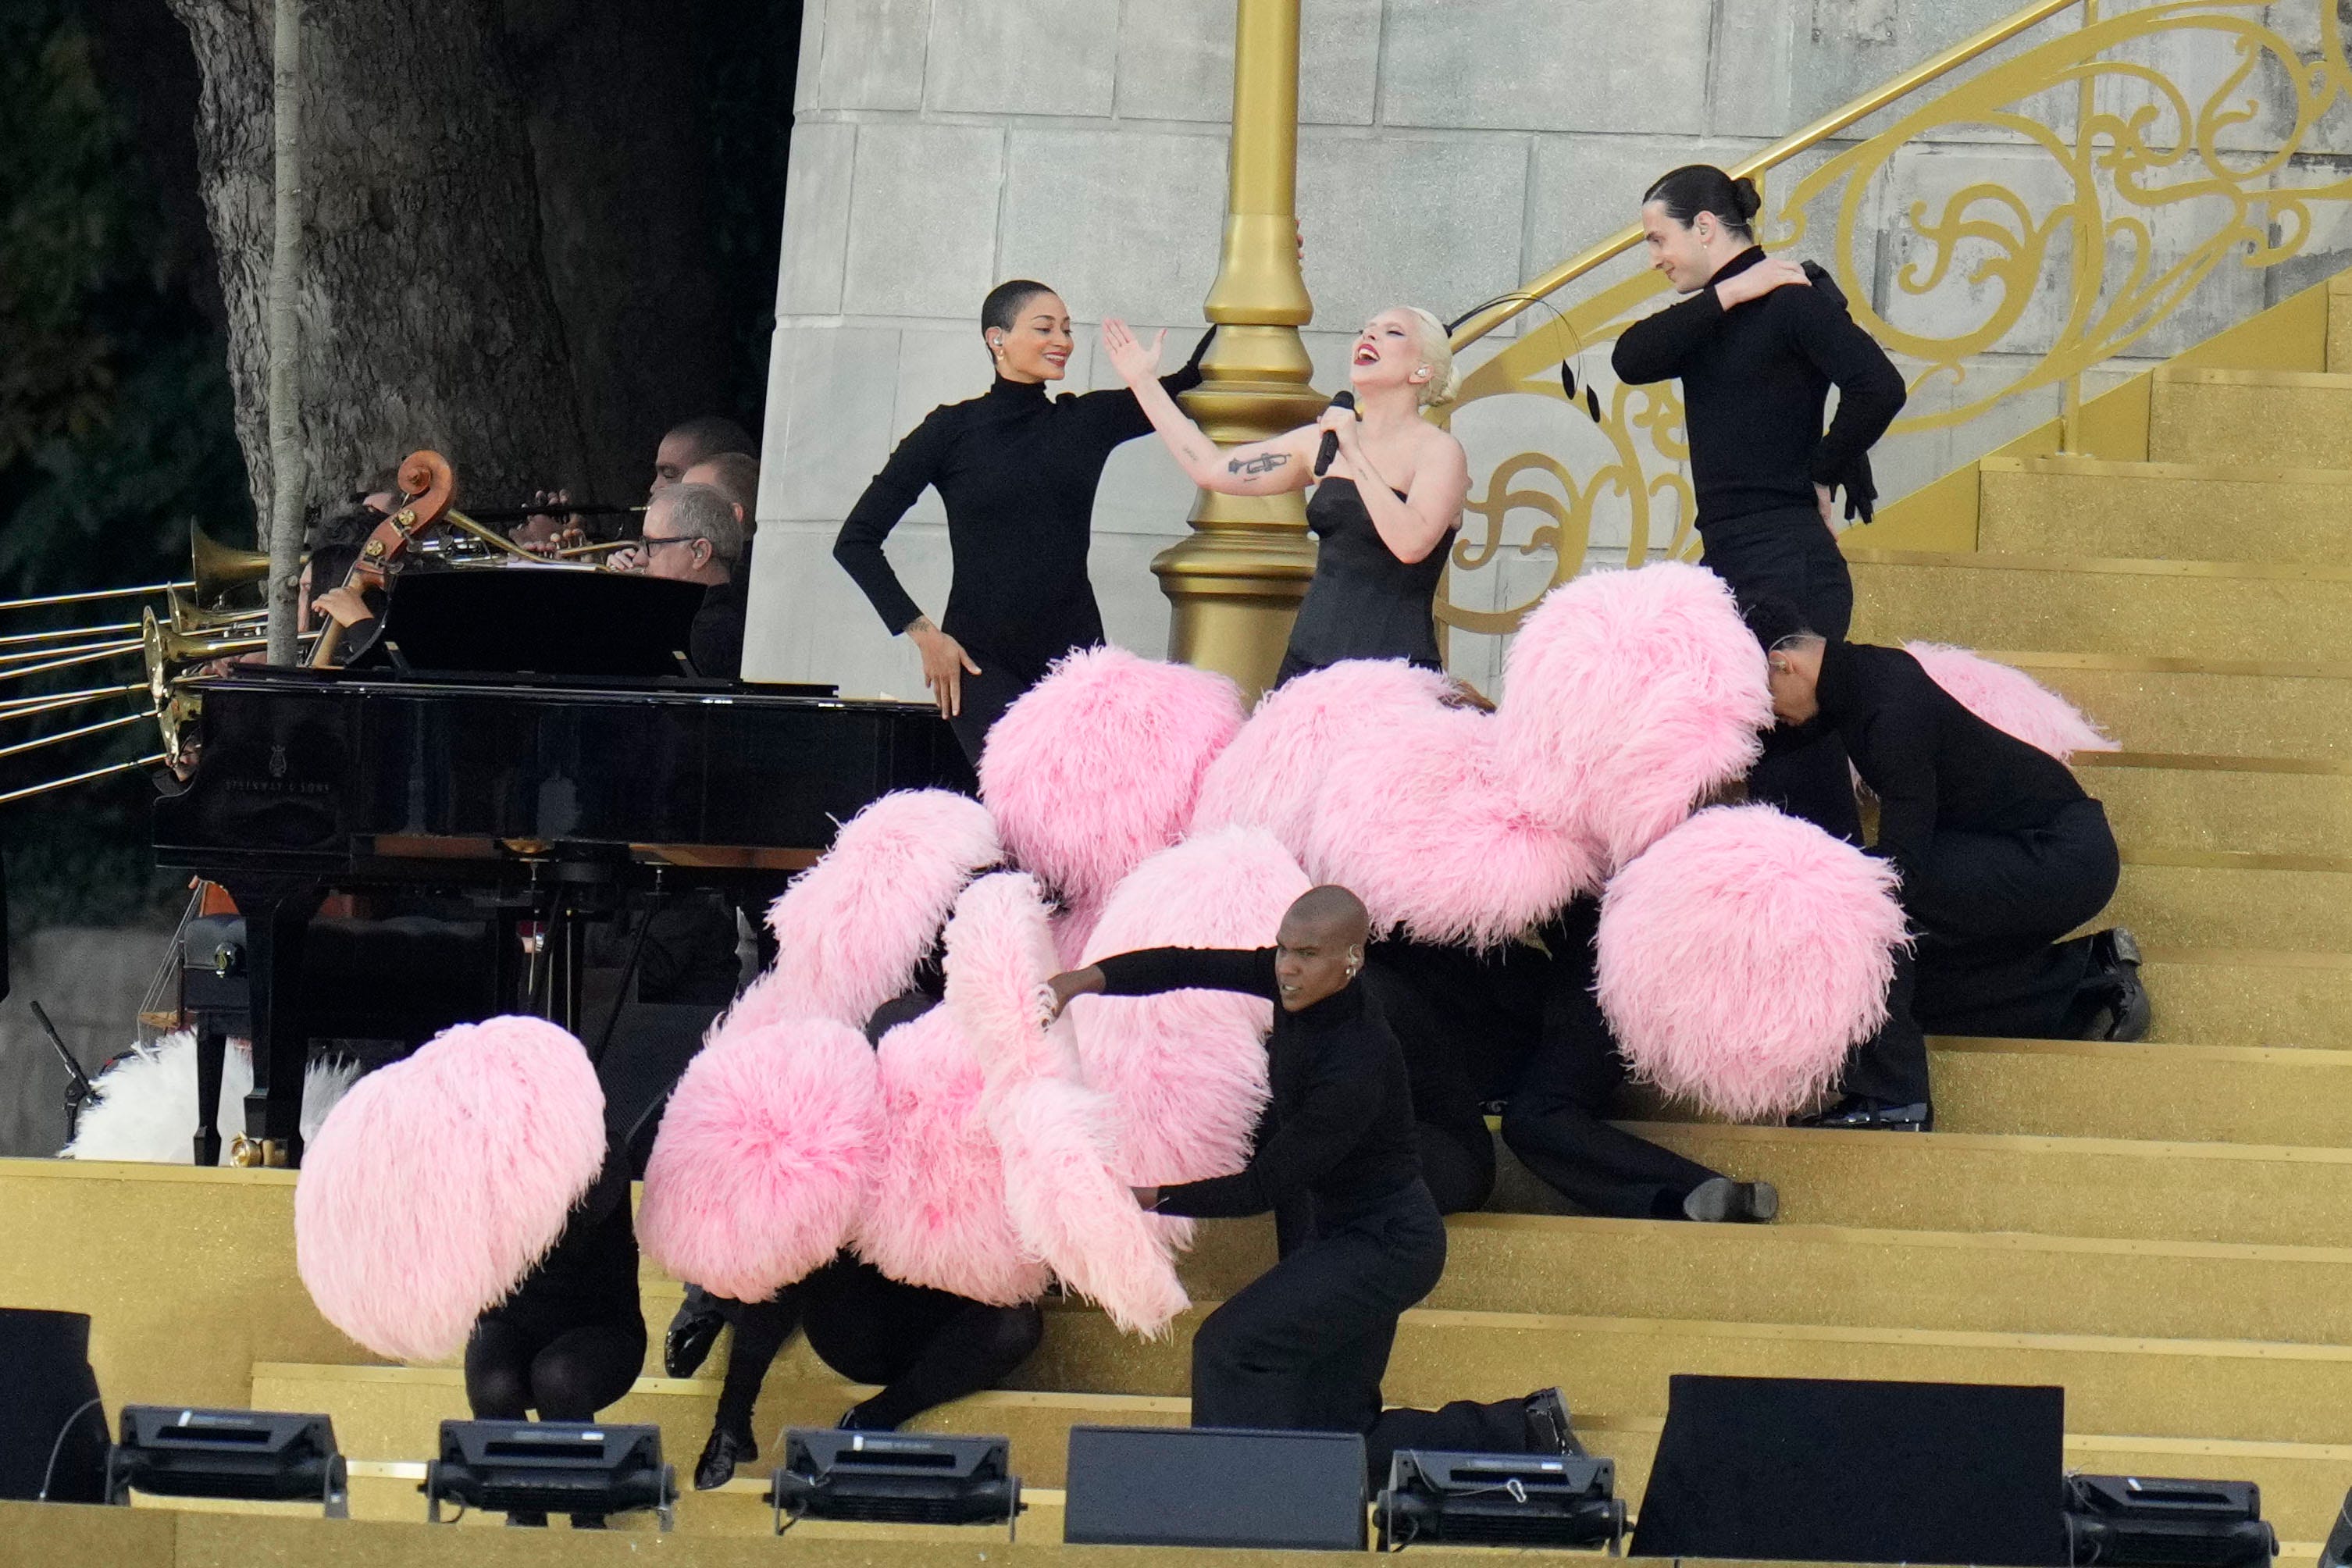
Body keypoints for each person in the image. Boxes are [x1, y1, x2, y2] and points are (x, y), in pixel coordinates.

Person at [1046, 886, 1578, 1484]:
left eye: (1305, 954)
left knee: (1227, 1347)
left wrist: (1143, 1199)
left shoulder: (1357, 1061)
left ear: (1352, 959)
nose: (1286, 968)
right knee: (1340, 1435)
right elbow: (1182, 965)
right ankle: (1527, 1431)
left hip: (1388, 1245)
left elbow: (1264, 1187)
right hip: (1350, 1231)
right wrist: (1079, 982)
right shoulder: (1292, 984)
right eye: (1281, 950)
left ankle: (1226, 1505)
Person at [1745, 597, 2151, 1131]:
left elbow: (1900, 871)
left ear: (1785, 665)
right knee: (1918, 987)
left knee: (1863, 906)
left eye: (1761, 695)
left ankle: (1896, 1102)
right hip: (2045, 847)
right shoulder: (1865, 677)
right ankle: (2092, 977)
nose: (1767, 713)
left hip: (2059, 856)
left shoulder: (1888, 709)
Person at [1612, 165, 1908, 843]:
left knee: (1795, 769)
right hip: (1735, 562)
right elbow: (1630, 359)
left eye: (1658, 239)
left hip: (1788, 561)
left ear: (1705, 227)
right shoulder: (1716, 314)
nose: (1654, 258)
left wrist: (1822, 474)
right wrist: (1731, 292)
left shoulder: (1793, 302)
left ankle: (1840, 896)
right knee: (1765, 770)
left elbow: (1879, 387)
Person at [832, 280, 1213, 761]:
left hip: (1077, 664)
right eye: (1044, 328)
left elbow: (1193, 380)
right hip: (979, 663)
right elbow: (856, 542)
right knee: (1020, 790)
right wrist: (926, 637)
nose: (1063, 341)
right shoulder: (950, 430)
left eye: (1067, 330)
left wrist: (1270, 258)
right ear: (997, 338)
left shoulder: (1085, 421)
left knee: (1085, 800)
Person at [688, 979, 1043, 1490]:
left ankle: (874, 1417)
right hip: (851, 1322)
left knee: (1017, 1324)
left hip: (943, 1330)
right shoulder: (839, 1127)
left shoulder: (981, 1128)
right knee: (800, 1236)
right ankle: (731, 1418)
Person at [1101, 307, 1470, 685]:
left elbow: (1411, 544)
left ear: (1422, 370)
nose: (1368, 336)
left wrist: (1354, 454)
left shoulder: (1439, 451)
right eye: (1366, 328)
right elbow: (1213, 469)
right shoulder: (1318, 442)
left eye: (1393, 332)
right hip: (1307, 665)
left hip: (1396, 671)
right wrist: (1143, 382)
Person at [1499, 900, 1778, 1222]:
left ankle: (1689, 1195)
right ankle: (1694, 1200)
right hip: (1621, 967)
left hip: (1612, 971)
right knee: (1535, 1114)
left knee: (1534, 1117)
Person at [463, 1143, 647, 1527]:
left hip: (601, 1327)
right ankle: (524, 1520)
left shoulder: (602, 1152)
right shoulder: (488, 1150)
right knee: (491, 1382)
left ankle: (587, 1522)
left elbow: (578, 1222)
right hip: (514, 1320)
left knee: (557, 1375)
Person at [633, 481, 746, 681]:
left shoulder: (707, 628)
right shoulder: (731, 614)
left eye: (652, 544)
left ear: (699, 552)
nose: (638, 559)